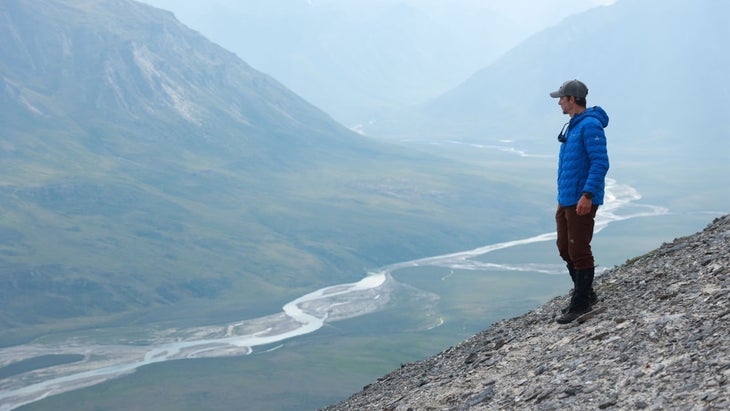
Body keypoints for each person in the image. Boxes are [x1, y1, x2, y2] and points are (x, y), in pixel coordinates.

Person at [549, 79, 609, 324]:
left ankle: (581, 303)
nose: (559, 102)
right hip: (566, 199)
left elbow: (600, 163)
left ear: (572, 99)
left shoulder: (590, 126)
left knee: (579, 250)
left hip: (580, 199)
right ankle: (587, 294)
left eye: (561, 98)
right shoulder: (574, 125)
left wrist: (588, 195)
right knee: (565, 248)